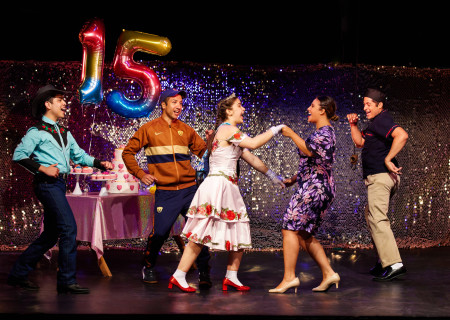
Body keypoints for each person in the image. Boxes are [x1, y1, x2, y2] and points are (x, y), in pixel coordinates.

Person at [168, 93, 285, 292]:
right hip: (217, 185)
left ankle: (231, 276)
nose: (243, 109)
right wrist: (277, 129)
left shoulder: (230, 133)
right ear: (229, 111)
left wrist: (273, 176)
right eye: (240, 105)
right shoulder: (227, 129)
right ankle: (179, 275)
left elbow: (251, 157)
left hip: (228, 186)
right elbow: (255, 143)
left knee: (239, 227)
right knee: (200, 233)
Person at [8, 84, 113, 294]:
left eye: (64, 100)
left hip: (58, 185)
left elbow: (79, 155)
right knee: (68, 228)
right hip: (46, 185)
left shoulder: (64, 132)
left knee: (50, 235)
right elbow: (19, 155)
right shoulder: (36, 131)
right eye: (59, 100)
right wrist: (43, 169)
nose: (64, 103)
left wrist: (99, 163)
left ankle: (18, 274)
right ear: (48, 104)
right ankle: (66, 280)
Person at [122, 88, 212, 288]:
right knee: (160, 233)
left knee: (199, 231)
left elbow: (205, 154)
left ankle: (204, 271)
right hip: (166, 192)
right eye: (174, 102)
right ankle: (148, 266)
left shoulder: (186, 130)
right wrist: (141, 174)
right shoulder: (148, 129)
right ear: (163, 105)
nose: (179, 106)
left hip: (190, 190)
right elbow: (128, 152)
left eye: (180, 103)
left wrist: (210, 141)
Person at [269, 96, 340, 294]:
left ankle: (289, 278)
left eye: (312, 106)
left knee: (289, 227)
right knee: (303, 234)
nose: (308, 108)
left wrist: (291, 133)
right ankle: (329, 273)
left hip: (315, 188)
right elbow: (316, 163)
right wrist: (293, 179)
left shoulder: (325, 133)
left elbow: (309, 152)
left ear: (323, 111)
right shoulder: (322, 132)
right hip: (315, 185)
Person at [347, 87, 408, 281]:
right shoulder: (375, 123)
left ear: (380, 105)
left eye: (369, 104)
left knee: (378, 218)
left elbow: (402, 135)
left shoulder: (383, 119)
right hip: (379, 178)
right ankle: (384, 261)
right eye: (364, 104)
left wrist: (389, 158)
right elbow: (359, 143)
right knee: (371, 216)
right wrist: (353, 125)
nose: (365, 107)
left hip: (381, 177)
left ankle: (394, 263)